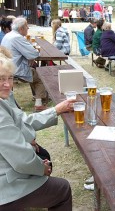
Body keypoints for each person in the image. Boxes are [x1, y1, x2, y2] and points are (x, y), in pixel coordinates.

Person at [0, 56, 73, 210]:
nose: (7, 84)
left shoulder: (4, 99)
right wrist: (41, 168)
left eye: (10, 78)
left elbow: (19, 125)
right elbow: (20, 160)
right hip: (5, 188)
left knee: (43, 154)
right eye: (1, 79)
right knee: (63, 189)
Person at [1, 17, 47, 112]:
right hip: (16, 69)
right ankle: (39, 103)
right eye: (27, 26)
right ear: (21, 28)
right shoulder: (17, 37)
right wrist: (30, 57)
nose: (28, 28)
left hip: (7, 67)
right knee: (40, 76)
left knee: (33, 72)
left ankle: (37, 97)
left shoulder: (9, 35)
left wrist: (29, 57)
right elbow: (33, 53)